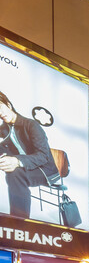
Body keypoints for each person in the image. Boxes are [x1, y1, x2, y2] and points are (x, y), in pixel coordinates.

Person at [0, 91, 60, 220]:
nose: (0, 114)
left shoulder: (31, 125)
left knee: (15, 174)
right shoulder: (3, 130)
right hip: (27, 168)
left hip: (45, 170)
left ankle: (19, 222)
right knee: (14, 172)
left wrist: (16, 161)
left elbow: (44, 156)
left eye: (0, 107)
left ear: (8, 105)